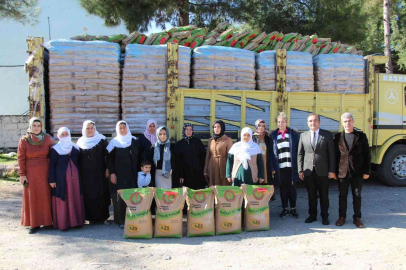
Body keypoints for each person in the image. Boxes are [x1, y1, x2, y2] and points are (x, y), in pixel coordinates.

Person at [298, 113, 336, 225]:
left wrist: (332, 170)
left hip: (323, 170)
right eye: (310, 121)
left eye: (315, 120)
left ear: (319, 122)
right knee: (311, 195)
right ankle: (312, 215)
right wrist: (300, 170)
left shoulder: (327, 135)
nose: (312, 123)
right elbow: (300, 154)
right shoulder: (303, 135)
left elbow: (331, 154)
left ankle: (325, 216)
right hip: (308, 171)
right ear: (307, 123)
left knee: (324, 195)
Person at [334, 113, 371, 228]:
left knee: (357, 195)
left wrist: (367, 171)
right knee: (342, 196)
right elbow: (335, 155)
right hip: (342, 172)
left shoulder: (361, 136)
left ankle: (357, 217)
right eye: (345, 121)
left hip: (357, 172)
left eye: (349, 121)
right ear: (342, 123)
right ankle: (342, 217)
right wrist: (334, 172)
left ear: (353, 122)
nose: (347, 123)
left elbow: (367, 155)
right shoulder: (337, 137)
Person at [17, 117, 54, 234]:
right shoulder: (24, 140)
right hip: (30, 172)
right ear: (30, 127)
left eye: (38, 126)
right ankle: (34, 223)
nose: (37, 128)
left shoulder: (47, 139)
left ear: (41, 127)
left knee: (45, 196)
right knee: (32, 197)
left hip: (45, 171)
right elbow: (20, 158)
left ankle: (47, 222)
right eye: (34, 126)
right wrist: (22, 174)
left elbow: (53, 154)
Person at [49, 127, 85, 231]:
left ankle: (76, 222)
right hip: (61, 180)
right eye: (62, 134)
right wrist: (52, 180)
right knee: (63, 198)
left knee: (75, 197)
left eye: (66, 134)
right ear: (59, 136)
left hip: (75, 181)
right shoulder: (55, 149)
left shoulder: (75, 148)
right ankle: (63, 224)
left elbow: (79, 163)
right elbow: (51, 166)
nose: (65, 136)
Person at [106, 121, 139, 228]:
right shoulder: (114, 142)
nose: (122, 130)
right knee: (119, 198)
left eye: (124, 127)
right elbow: (109, 160)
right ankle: (121, 221)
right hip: (118, 175)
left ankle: (132, 219)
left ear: (127, 128)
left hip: (131, 175)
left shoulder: (134, 141)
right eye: (120, 128)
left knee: (131, 197)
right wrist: (112, 173)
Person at [77, 120, 110, 225]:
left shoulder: (101, 140)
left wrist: (108, 169)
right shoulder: (80, 142)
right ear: (84, 129)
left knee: (101, 194)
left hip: (100, 173)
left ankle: (103, 217)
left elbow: (108, 156)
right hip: (86, 175)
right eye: (87, 128)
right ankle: (91, 218)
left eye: (92, 128)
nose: (90, 130)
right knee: (89, 195)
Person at [270, 112, 300, 218]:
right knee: (283, 189)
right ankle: (284, 209)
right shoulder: (273, 135)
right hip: (280, 167)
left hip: (291, 166)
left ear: (286, 122)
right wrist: (273, 167)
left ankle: (293, 208)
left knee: (292, 189)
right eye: (279, 122)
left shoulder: (293, 134)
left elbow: (298, 150)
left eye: (282, 121)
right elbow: (271, 153)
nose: (280, 123)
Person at [174, 123, 207, 190]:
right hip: (185, 174)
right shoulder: (179, 144)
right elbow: (178, 161)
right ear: (184, 130)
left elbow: (203, 157)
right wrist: (180, 175)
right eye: (186, 129)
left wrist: (202, 171)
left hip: (197, 173)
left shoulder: (198, 142)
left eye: (190, 129)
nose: (188, 131)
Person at [204, 120, 234, 186]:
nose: (216, 129)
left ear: (222, 128)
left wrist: (230, 172)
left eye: (218, 127)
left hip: (223, 167)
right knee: (212, 187)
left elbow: (230, 157)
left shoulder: (228, 140)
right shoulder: (211, 140)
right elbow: (208, 156)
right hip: (212, 167)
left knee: (223, 187)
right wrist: (205, 170)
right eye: (215, 127)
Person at [252, 119, 275, 196]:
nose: (261, 127)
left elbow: (271, 153)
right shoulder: (252, 138)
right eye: (259, 125)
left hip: (266, 164)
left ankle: (265, 204)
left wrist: (272, 167)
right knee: (255, 186)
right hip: (255, 164)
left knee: (266, 187)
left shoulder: (268, 138)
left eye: (263, 126)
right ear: (256, 126)